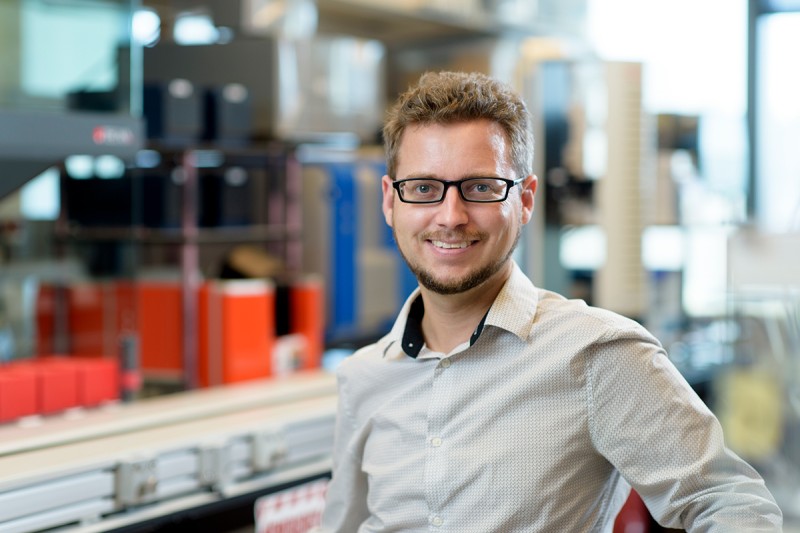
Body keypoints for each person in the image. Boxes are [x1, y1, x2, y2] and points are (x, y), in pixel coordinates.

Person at [314, 71, 782, 532]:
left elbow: (733, 505)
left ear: (526, 200)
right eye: (422, 189)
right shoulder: (363, 378)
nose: (450, 216)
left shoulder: (596, 353)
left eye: (480, 187)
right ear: (390, 202)